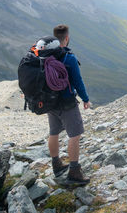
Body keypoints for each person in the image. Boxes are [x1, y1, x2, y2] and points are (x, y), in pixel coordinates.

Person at [48, 24, 91, 185]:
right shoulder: (69, 58)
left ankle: (56, 164)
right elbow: (77, 82)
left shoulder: (46, 56)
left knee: (53, 132)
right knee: (75, 135)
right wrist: (85, 99)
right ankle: (74, 171)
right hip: (66, 102)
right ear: (66, 38)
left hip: (50, 102)